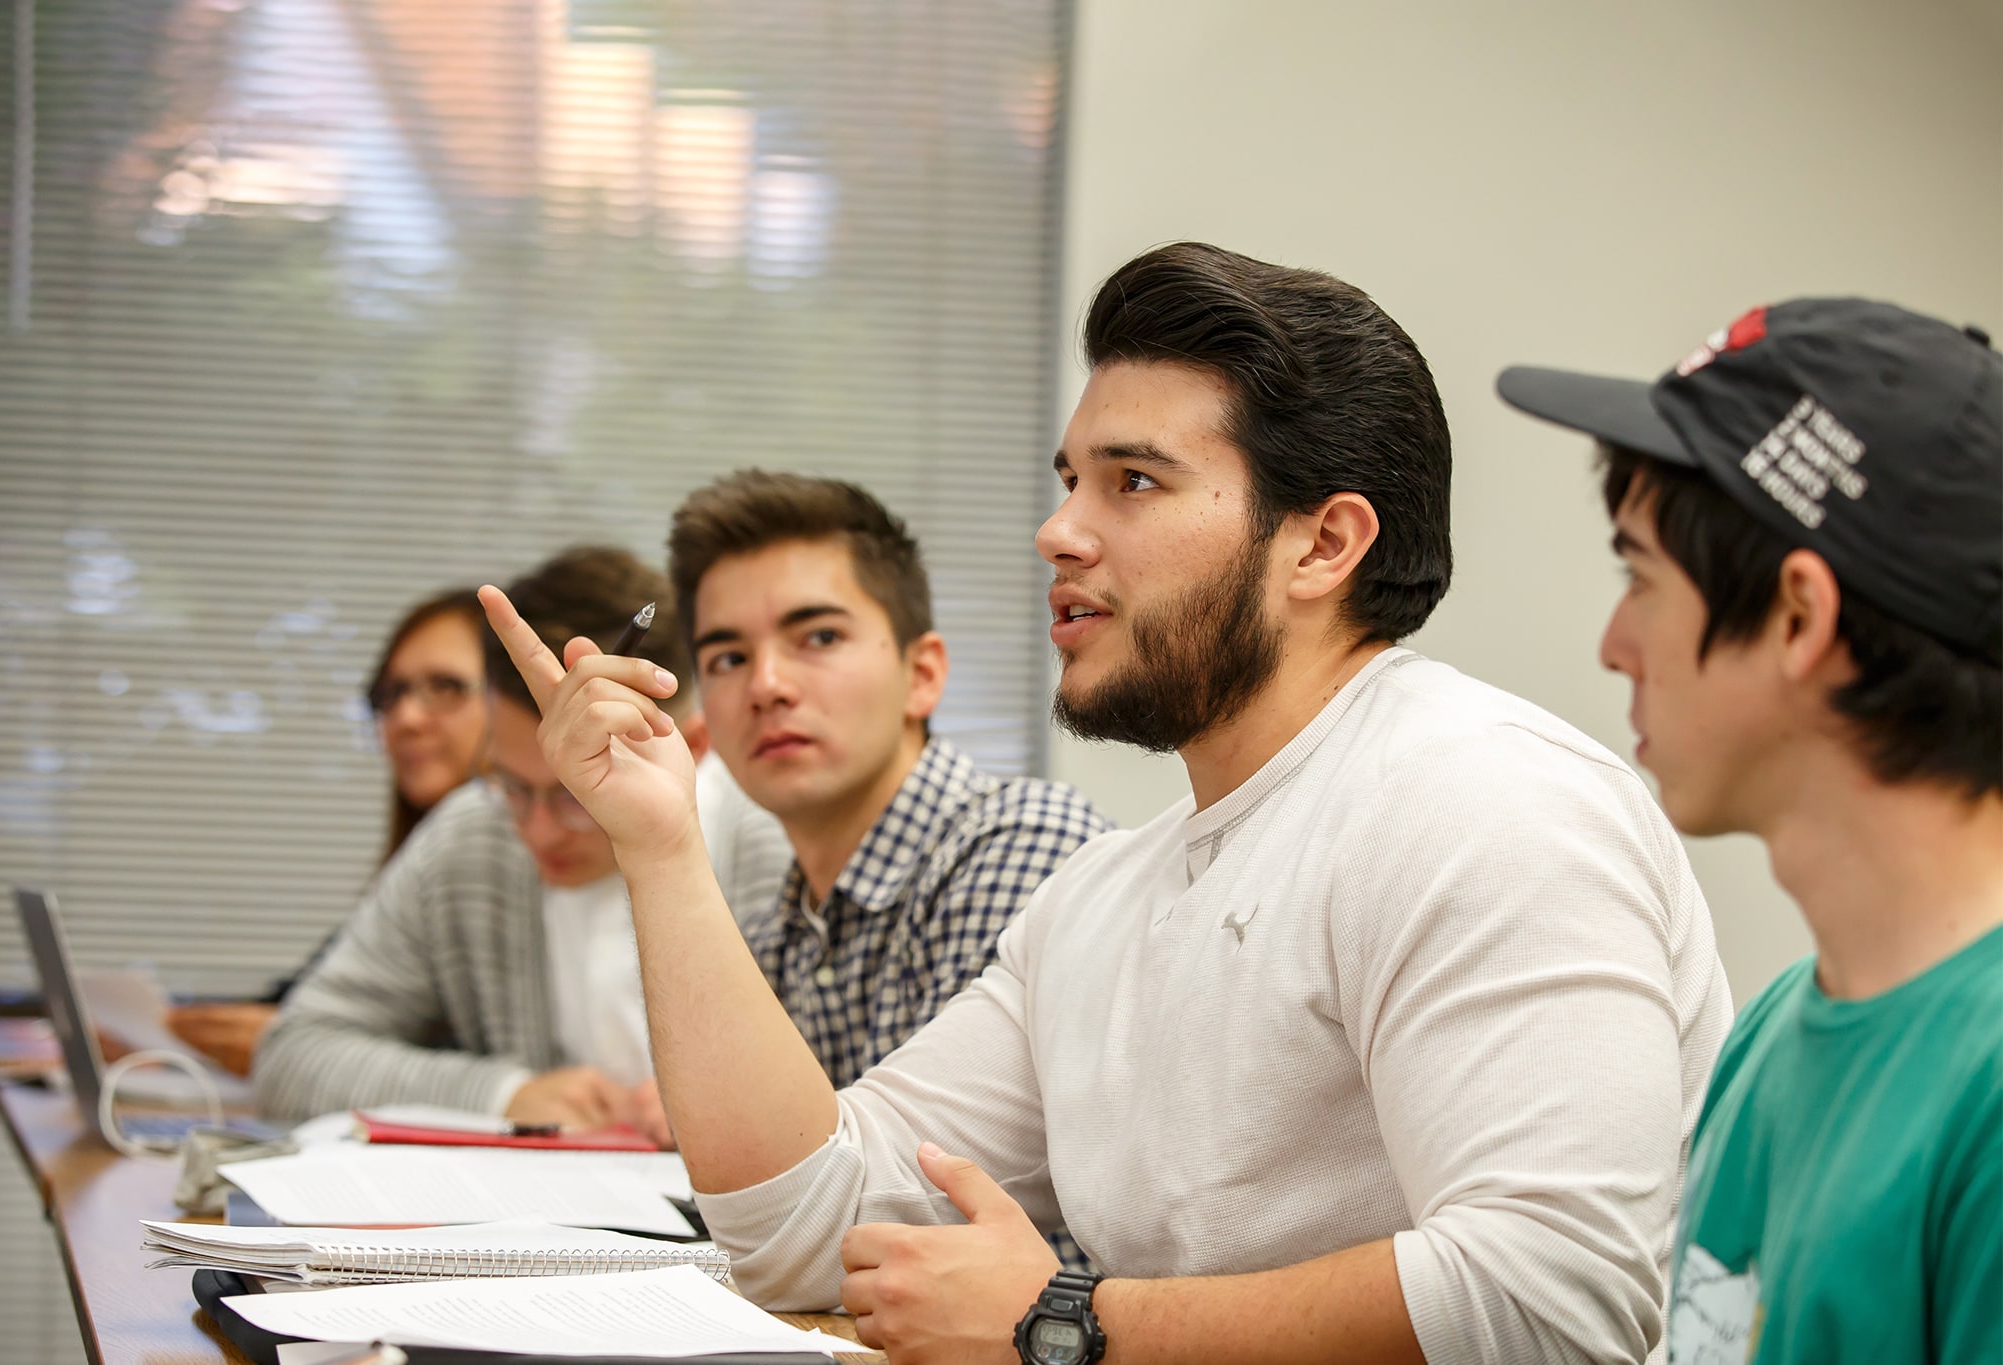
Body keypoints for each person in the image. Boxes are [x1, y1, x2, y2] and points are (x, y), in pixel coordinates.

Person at [484, 242, 1733, 1365]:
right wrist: (657, 845)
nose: (1056, 531)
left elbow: (1556, 1301)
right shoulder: (1098, 902)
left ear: (1320, 545)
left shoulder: (1482, 800)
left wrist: (1065, 1325)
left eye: (1131, 482)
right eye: (1070, 478)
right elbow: (803, 1226)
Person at [1499, 299, 2001, 1364]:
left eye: (1639, 577)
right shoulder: (1771, 1033)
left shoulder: (1985, 1090)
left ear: (1794, 617)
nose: (1611, 645)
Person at [253, 546, 790, 1136]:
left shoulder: (778, 846)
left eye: (574, 797)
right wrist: (505, 1093)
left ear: (692, 747)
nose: (535, 831)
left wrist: (753, 1099)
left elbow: (883, 1097)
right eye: (511, 785)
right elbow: (293, 1054)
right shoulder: (474, 836)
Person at [665, 470, 1111, 1091]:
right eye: (729, 659)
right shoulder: (778, 937)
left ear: (923, 674)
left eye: (819, 637)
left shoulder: (1018, 845)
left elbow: (933, 1174)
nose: (766, 685)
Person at [165, 586, 490, 1076]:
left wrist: (280, 1041)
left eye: (445, 687)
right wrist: (171, 1035)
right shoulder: (418, 867)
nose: (405, 718)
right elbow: (310, 997)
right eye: (390, 694)